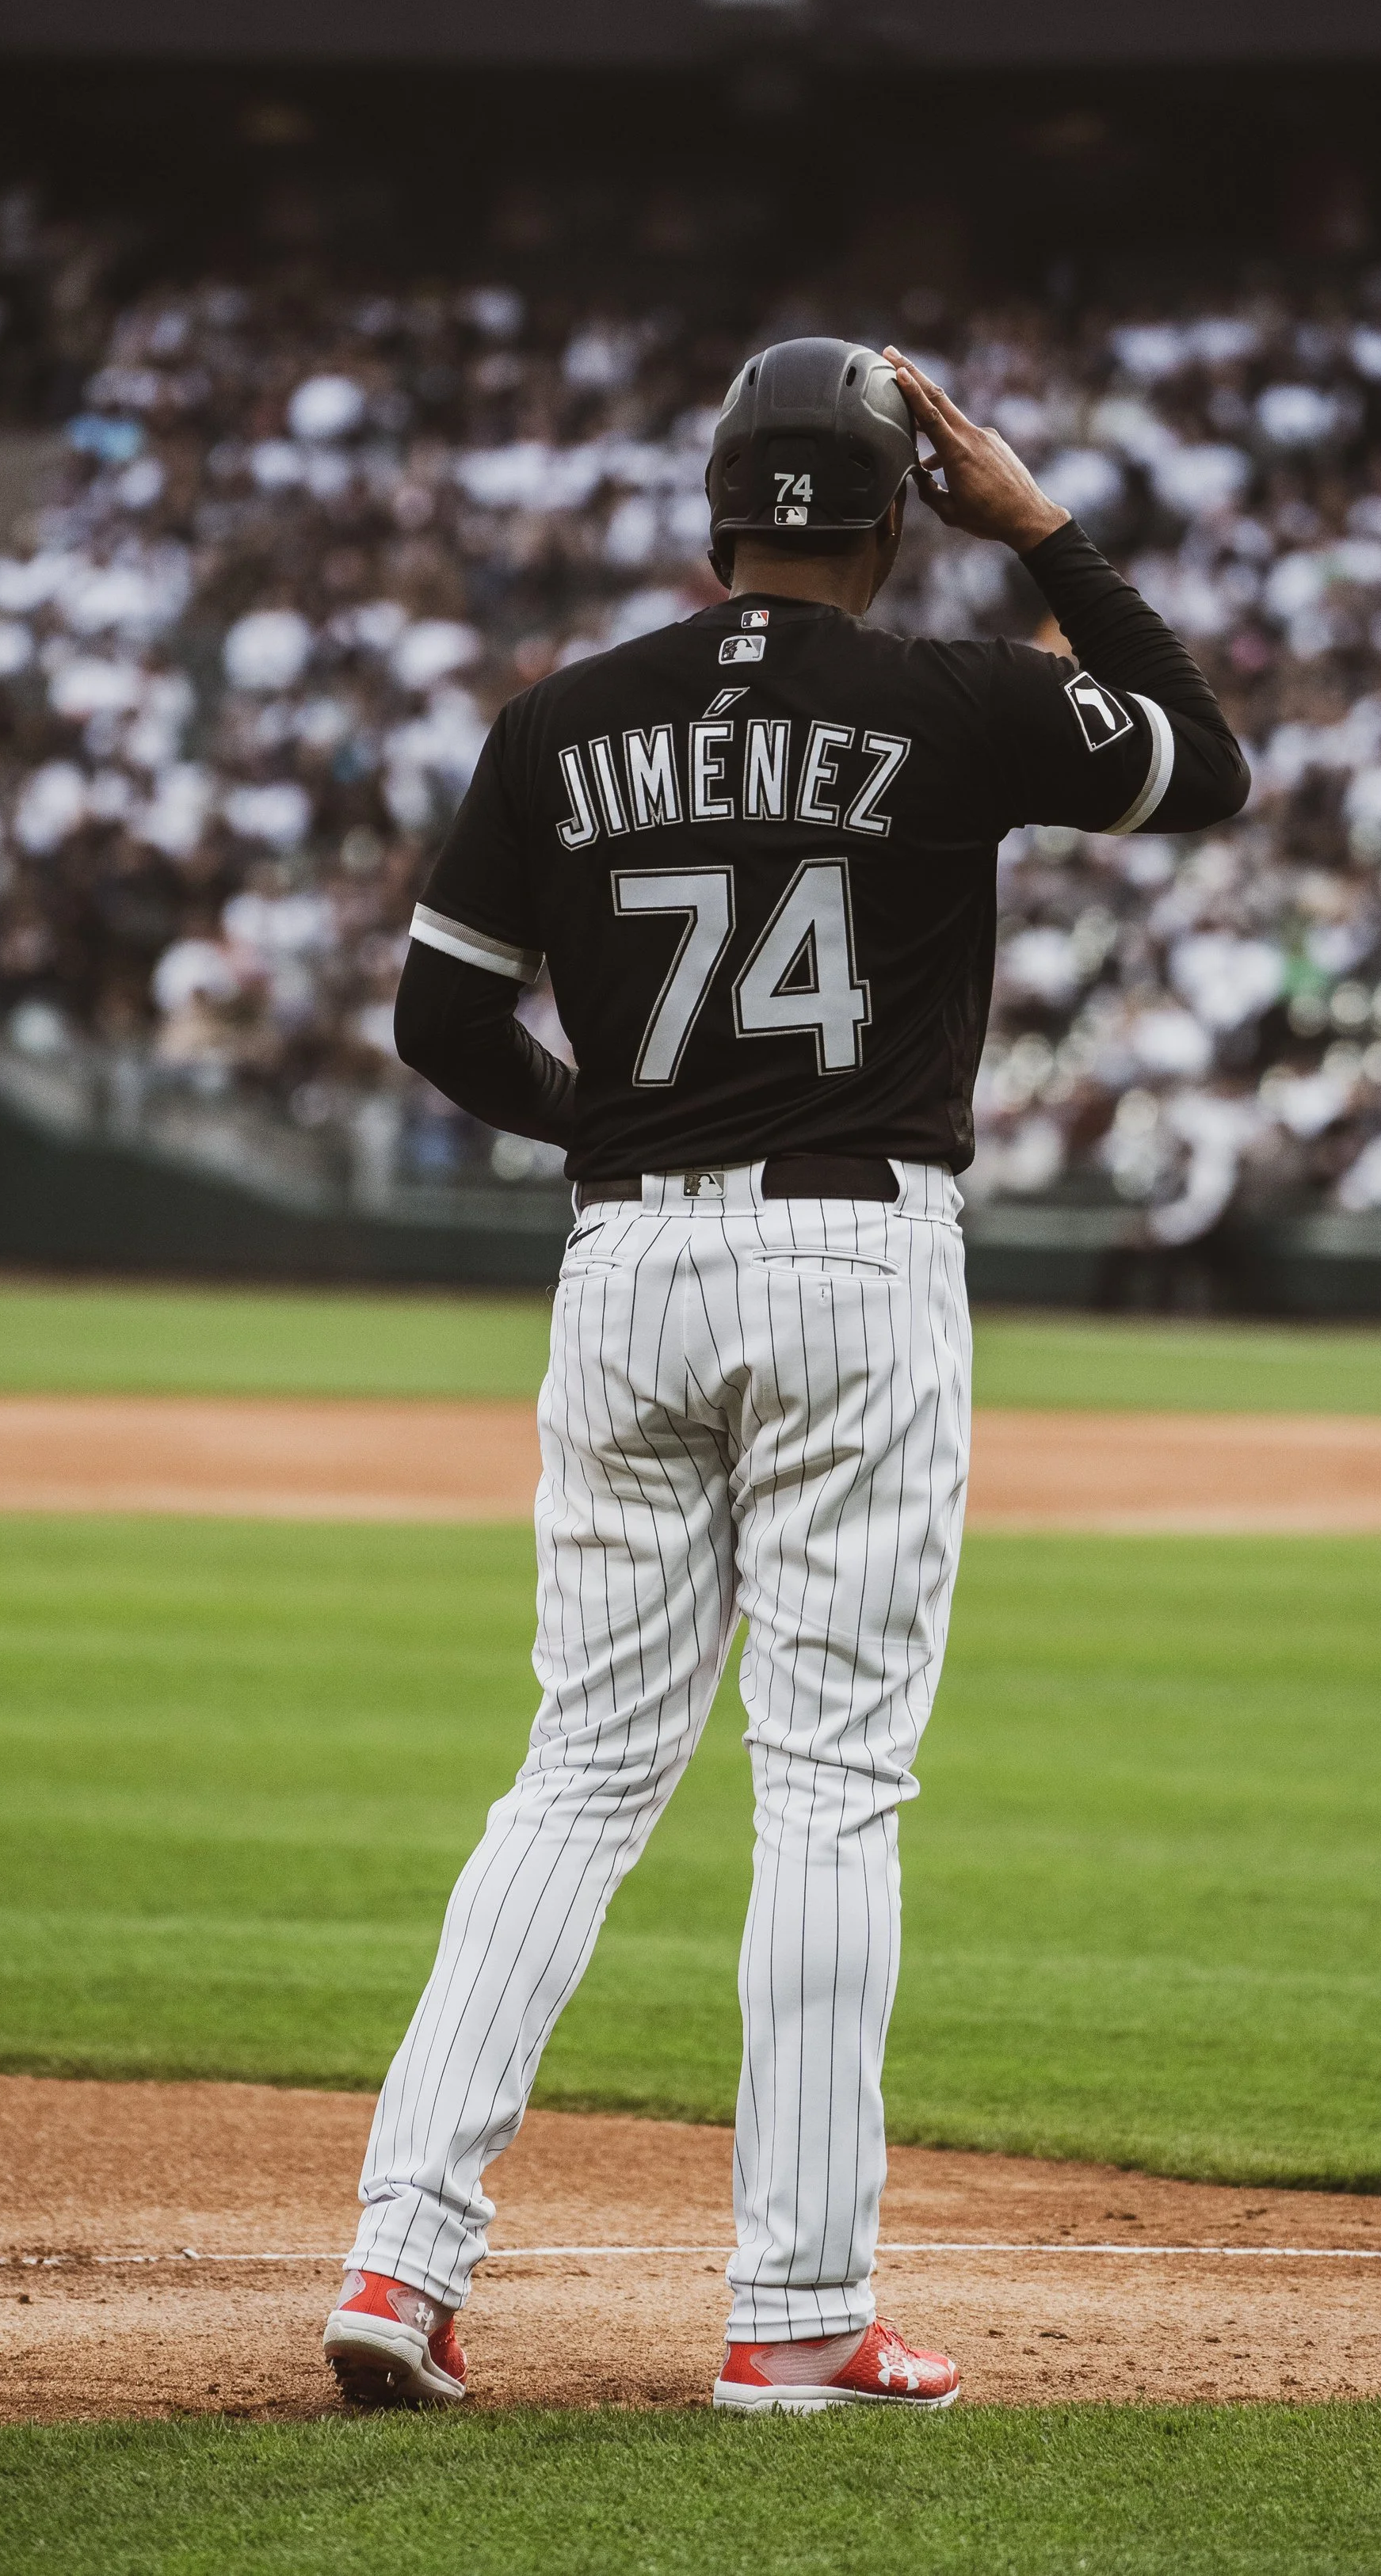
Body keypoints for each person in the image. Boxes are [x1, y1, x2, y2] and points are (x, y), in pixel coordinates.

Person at [322, 339, 1249, 2414]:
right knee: (828, 1782)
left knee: (575, 1772)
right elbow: (1205, 761)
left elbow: (436, 1020)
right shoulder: (961, 696)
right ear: (897, 517)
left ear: (713, 510)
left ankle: (398, 2259)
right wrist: (1048, 536)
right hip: (855, 1241)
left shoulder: (556, 720)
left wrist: (608, 1127)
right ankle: (795, 2305)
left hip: (628, 1258)